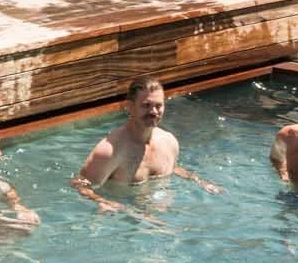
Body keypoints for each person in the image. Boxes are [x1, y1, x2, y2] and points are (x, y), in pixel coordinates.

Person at [71, 76, 221, 210]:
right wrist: (101, 201)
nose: (154, 112)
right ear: (130, 107)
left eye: (158, 105)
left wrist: (199, 181)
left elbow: (173, 168)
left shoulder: (169, 142)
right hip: (123, 214)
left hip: (158, 211)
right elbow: (79, 184)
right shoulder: (110, 151)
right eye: (146, 105)